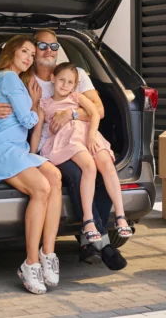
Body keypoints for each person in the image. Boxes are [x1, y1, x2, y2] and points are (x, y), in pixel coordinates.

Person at [0, 29, 128, 271]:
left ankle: (91, 237)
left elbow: (98, 110)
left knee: (102, 168)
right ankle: (98, 239)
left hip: (80, 135)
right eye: (39, 47)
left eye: (53, 46)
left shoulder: (76, 74)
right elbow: (12, 113)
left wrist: (70, 113)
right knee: (77, 173)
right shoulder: (23, 78)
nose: (46, 51)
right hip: (50, 144)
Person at [0, 36, 63, 295]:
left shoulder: (16, 80)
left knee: (55, 176)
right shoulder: (9, 78)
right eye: (23, 52)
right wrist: (36, 106)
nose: (28, 57)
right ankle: (31, 263)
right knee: (41, 189)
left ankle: (48, 252)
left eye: (31, 53)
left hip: (17, 148)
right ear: (11, 54)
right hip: (2, 148)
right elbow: (28, 121)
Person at [34, 62, 133, 243]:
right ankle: (88, 221)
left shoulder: (77, 97)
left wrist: (93, 136)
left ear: (75, 84)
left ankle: (120, 216)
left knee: (107, 165)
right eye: (61, 80)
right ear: (53, 79)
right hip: (68, 140)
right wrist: (32, 154)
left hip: (88, 135)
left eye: (70, 82)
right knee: (89, 167)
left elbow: (95, 114)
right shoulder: (45, 104)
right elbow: (38, 129)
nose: (65, 85)